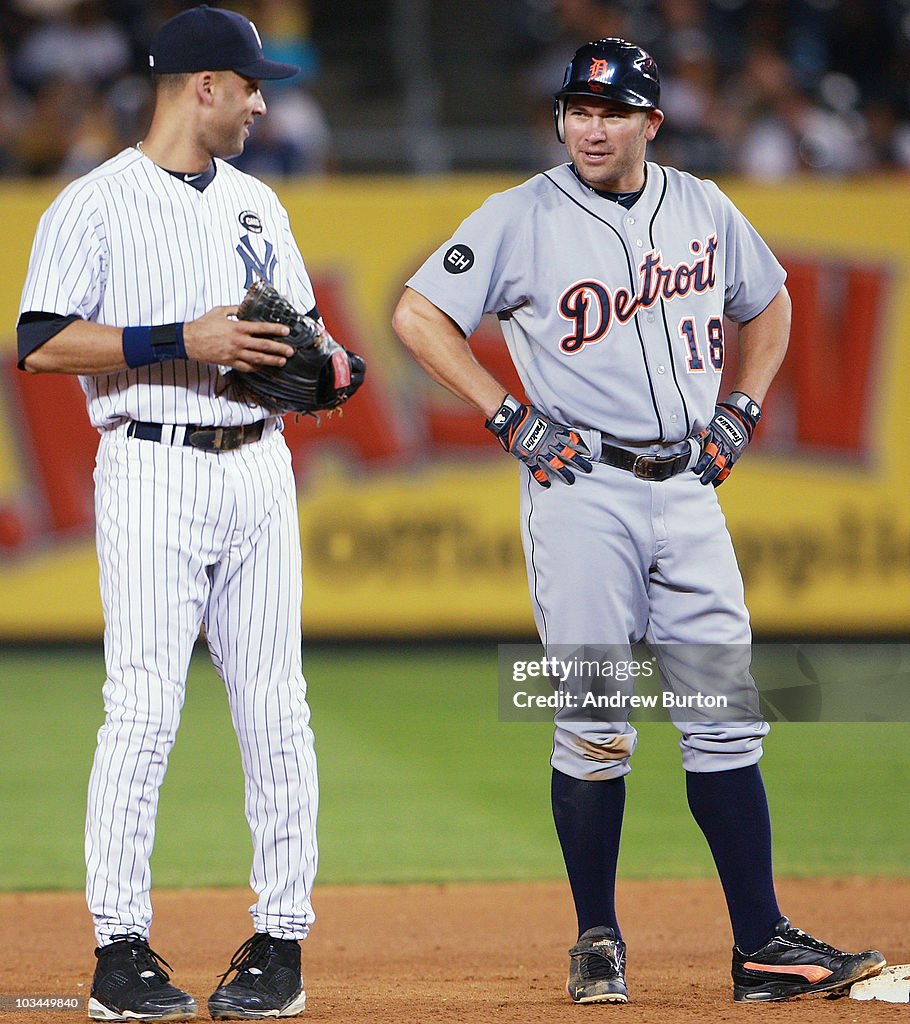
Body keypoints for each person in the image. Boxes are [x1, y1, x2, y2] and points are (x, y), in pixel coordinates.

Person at [392, 38, 885, 1005]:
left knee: (725, 721)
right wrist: (508, 416)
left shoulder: (702, 203)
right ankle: (598, 938)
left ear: (651, 123)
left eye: (611, 111)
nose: (589, 124)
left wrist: (742, 406)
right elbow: (418, 315)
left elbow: (772, 301)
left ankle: (762, 947)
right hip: (584, 494)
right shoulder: (520, 214)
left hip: (689, 490)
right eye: (577, 108)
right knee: (592, 723)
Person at [17, 6, 321, 1020]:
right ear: (202, 86)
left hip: (259, 466)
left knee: (277, 707)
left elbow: (303, 339)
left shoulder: (260, 203)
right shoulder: (94, 203)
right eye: (249, 84)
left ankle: (279, 941)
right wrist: (178, 336)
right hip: (151, 466)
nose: (261, 100)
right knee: (143, 707)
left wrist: (326, 368)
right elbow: (43, 342)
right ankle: (119, 948)